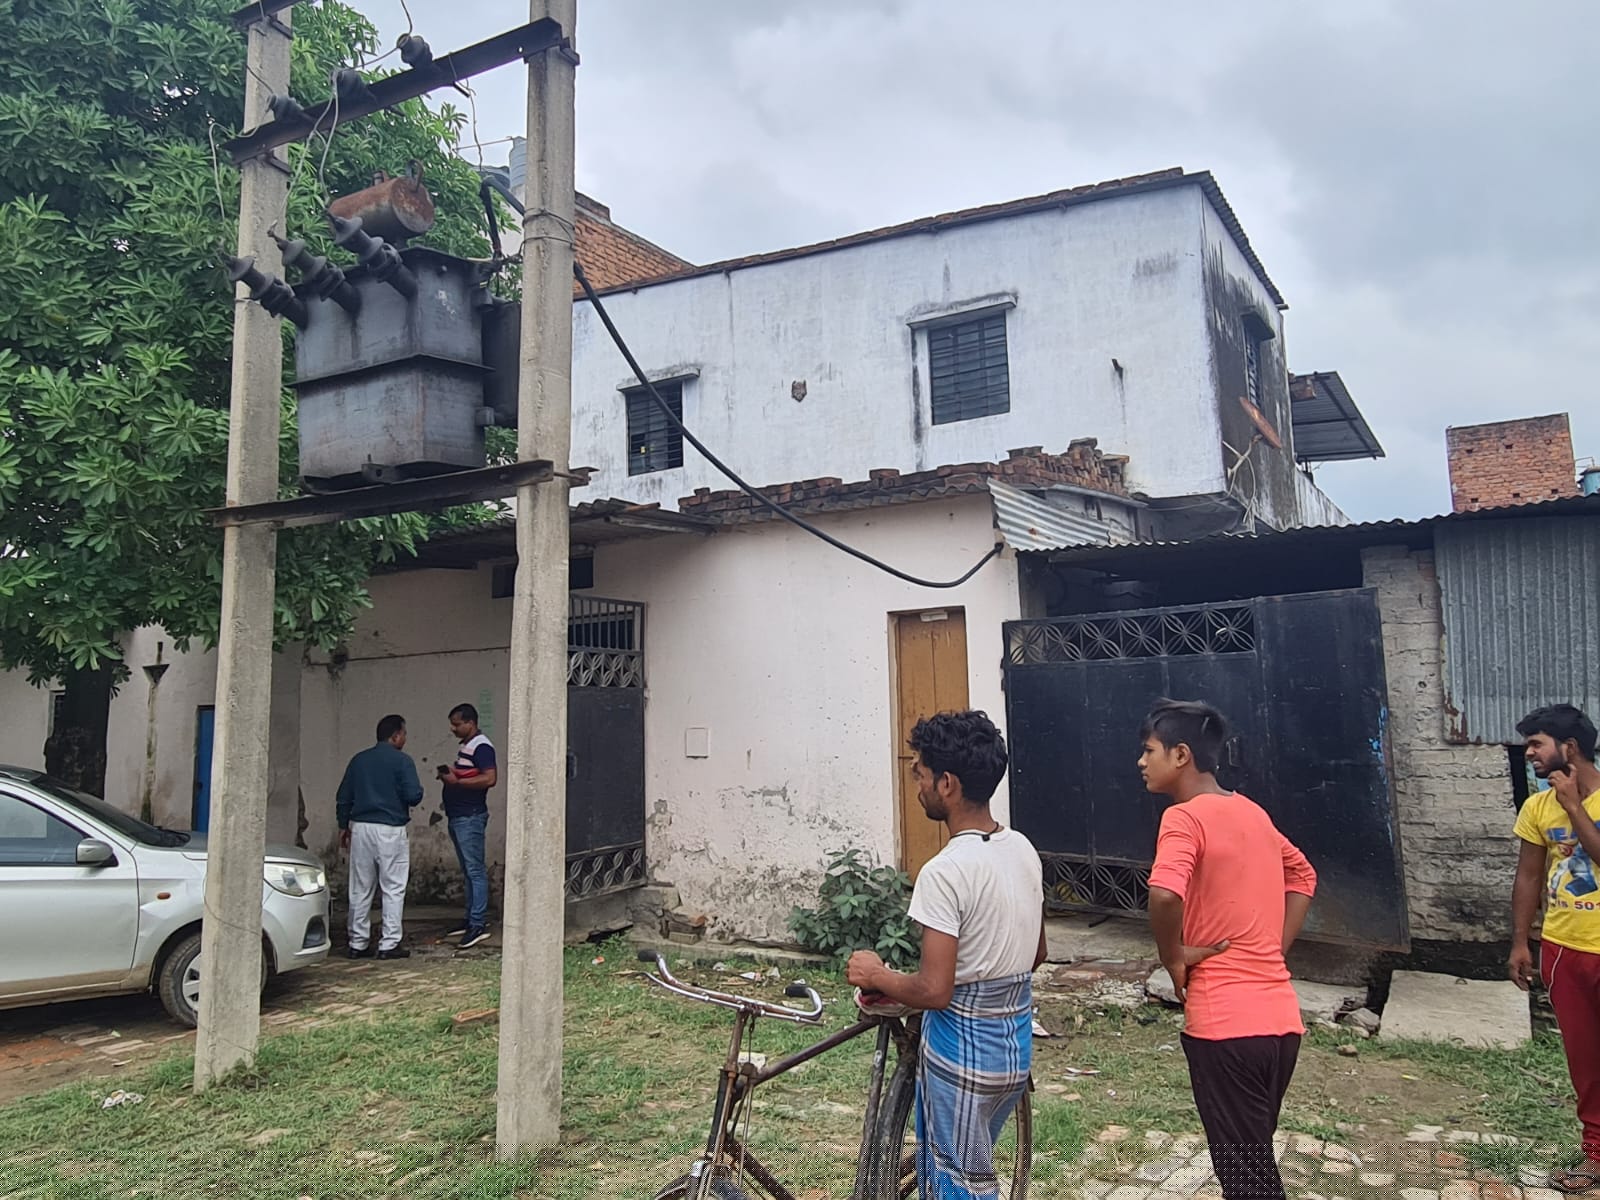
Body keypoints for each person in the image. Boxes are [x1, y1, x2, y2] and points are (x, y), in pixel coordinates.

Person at [846, 709, 1045, 1200]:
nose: (918, 787)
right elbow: (1037, 952)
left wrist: (877, 974)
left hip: (962, 1057)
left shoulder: (944, 871)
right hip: (1013, 1052)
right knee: (974, 1172)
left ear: (947, 784)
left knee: (956, 1184)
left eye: (921, 774)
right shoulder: (1022, 849)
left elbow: (935, 990)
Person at [1139, 699, 1317, 1200]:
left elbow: (1164, 893)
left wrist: (1172, 955)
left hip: (1225, 1028)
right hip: (1281, 1025)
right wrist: (1271, 950)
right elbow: (1303, 876)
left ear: (1181, 755)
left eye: (1149, 750)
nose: (1141, 761)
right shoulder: (1252, 813)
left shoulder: (1183, 818)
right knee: (1251, 1169)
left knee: (1248, 1183)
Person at [1508, 704, 1600, 1194]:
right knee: (1586, 1062)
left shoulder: (1575, 803)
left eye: (1536, 743)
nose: (1529, 753)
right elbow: (1528, 876)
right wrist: (1521, 941)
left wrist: (1574, 808)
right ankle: (1596, 1154)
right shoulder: (1537, 808)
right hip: (1564, 949)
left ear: (1570, 747)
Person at [336, 714, 424, 960]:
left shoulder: (359, 760)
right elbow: (413, 796)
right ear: (395, 736)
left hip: (361, 827)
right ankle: (389, 943)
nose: (405, 738)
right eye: (404, 734)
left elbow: (344, 796)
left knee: (360, 887)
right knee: (393, 887)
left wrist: (343, 825)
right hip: (390, 828)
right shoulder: (403, 761)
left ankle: (357, 943)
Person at [441, 703, 497, 949]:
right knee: (468, 870)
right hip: (459, 815)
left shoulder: (482, 746)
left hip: (469, 816)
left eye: (457, 724)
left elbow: (490, 778)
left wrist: (456, 782)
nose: (453, 729)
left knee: (475, 871)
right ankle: (470, 917)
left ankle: (477, 923)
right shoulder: (468, 746)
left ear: (470, 723)